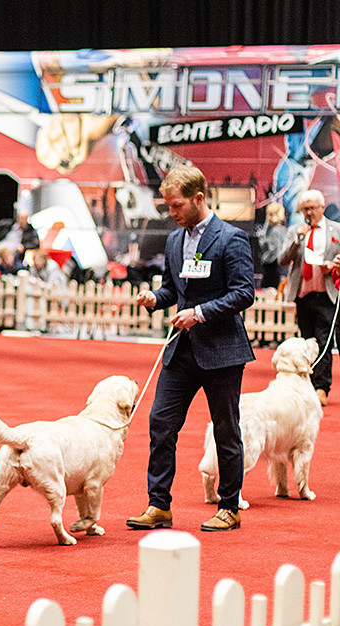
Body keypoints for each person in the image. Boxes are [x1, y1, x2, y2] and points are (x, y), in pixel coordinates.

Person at [127, 165, 255, 533]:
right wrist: (155, 297)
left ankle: (230, 507)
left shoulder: (231, 238)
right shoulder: (173, 240)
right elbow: (173, 290)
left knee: (226, 432)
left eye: (177, 206)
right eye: (168, 207)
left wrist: (199, 313)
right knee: (160, 424)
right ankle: (158, 506)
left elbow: (243, 293)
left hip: (223, 351)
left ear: (199, 198)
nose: (173, 214)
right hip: (181, 352)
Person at [279, 189, 340, 406]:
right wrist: (297, 240)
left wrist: (333, 266)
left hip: (327, 294)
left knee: (324, 341)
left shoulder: (336, 230)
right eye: (304, 208)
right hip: (303, 294)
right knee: (306, 340)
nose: (308, 212)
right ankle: (306, 384)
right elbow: (282, 260)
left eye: (312, 208)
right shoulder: (296, 230)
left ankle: (321, 387)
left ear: (322, 208)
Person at [256, 202, 288, 290]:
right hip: (280, 269)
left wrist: (265, 259)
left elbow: (272, 250)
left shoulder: (275, 231)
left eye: (269, 214)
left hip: (272, 270)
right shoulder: (284, 230)